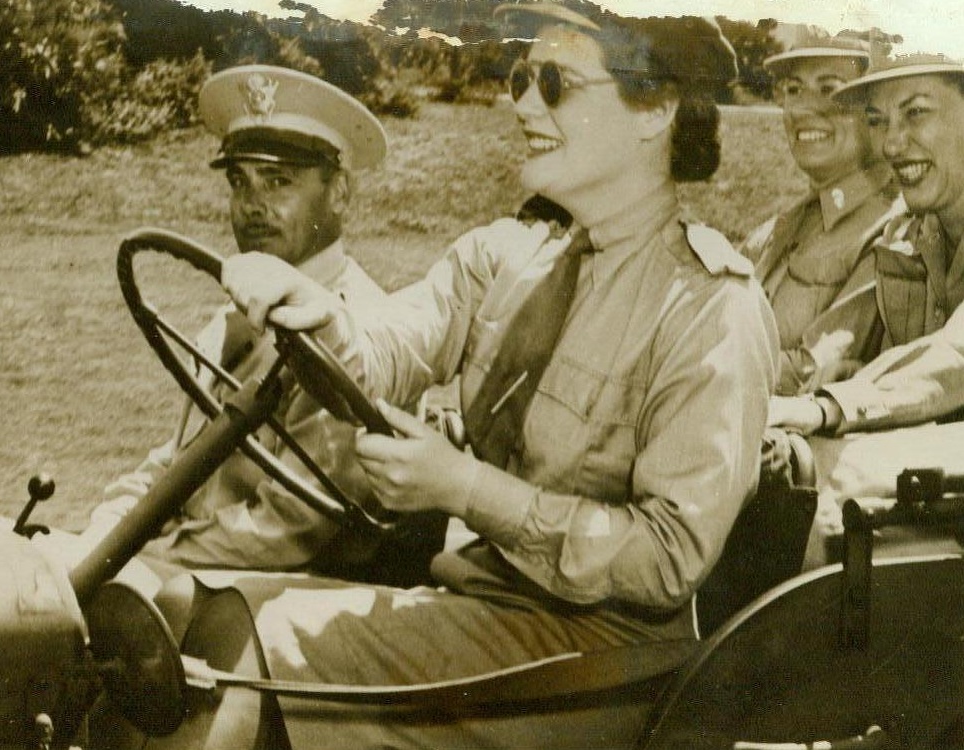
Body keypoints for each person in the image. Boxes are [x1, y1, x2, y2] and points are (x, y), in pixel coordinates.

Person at [202, 5, 778, 747]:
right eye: (518, 78)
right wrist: (320, 310)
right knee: (202, 607)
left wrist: (466, 490)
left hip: (606, 663)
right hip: (483, 612)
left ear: (655, 108)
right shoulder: (506, 258)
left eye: (555, 82)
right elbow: (385, 350)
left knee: (267, 639)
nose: (522, 102)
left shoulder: (710, 307)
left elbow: (665, 562)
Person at [84, 65, 431, 583]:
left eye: (278, 181)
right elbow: (182, 463)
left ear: (340, 193)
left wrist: (140, 557)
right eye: (239, 182)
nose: (252, 206)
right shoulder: (240, 315)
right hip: (207, 563)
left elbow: (291, 527)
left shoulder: (359, 334)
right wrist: (103, 534)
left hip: (298, 595)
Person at [769, 55, 964, 438]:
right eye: (877, 121)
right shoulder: (906, 238)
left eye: (916, 113)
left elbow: (957, 353)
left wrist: (829, 405)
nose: (891, 143)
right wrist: (863, 374)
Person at [742, 36, 905, 396]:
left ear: (878, 114)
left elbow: (814, 371)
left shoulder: (891, 231)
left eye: (829, 88)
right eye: (794, 89)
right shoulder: (783, 225)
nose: (801, 109)